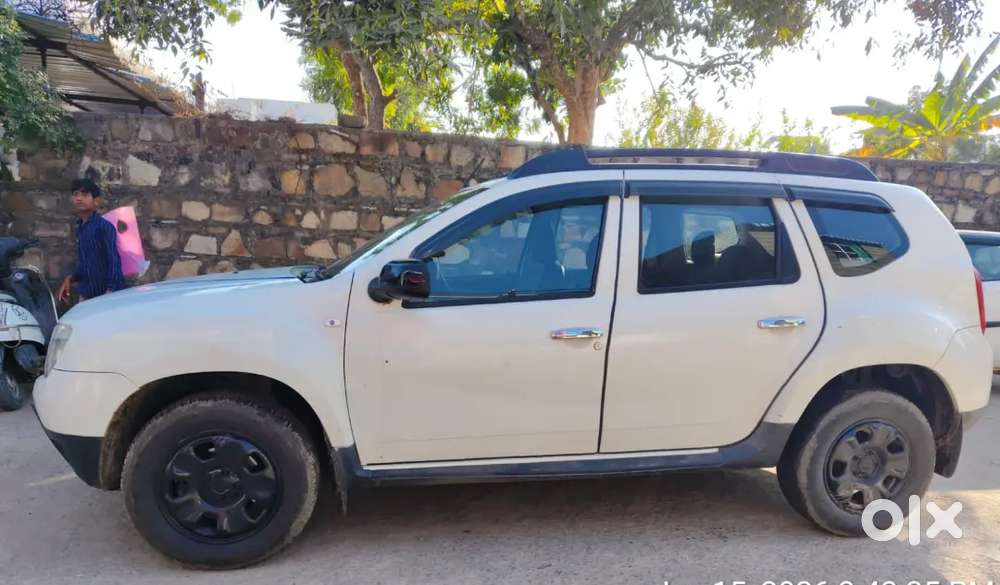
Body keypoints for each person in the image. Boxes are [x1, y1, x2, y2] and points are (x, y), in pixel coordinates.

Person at [57, 178, 126, 303]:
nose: (79, 198)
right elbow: (86, 263)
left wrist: (111, 292)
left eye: (84, 195)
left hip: (106, 295)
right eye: (76, 194)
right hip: (86, 293)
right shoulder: (81, 228)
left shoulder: (103, 226)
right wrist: (70, 279)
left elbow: (114, 260)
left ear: (96, 201)